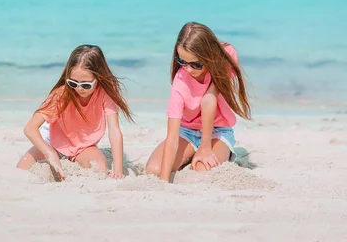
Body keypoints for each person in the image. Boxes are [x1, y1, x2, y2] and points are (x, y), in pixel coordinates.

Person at [146, 22, 251, 182]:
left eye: (196, 64)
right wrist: (164, 180)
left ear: (209, 55)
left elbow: (209, 99)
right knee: (154, 169)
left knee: (202, 171)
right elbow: (173, 136)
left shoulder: (225, 56)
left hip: (218, 130)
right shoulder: (180, 81)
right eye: (182, 61)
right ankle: (192, 152)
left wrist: (205, 146)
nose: (188, 69)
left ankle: (221, 151)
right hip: (187, 132)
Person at [17, 44, 133, 180]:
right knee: (21, 170)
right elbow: (30, 128)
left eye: (86, 85)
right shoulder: (62, 93)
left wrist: (118, 169)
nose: (79, 88)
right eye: (73, 83)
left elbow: (114, 130)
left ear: (99, 78)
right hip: (53, 140)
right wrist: (50, 154)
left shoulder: (106, 91)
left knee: (100, 169)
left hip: (83, 145)